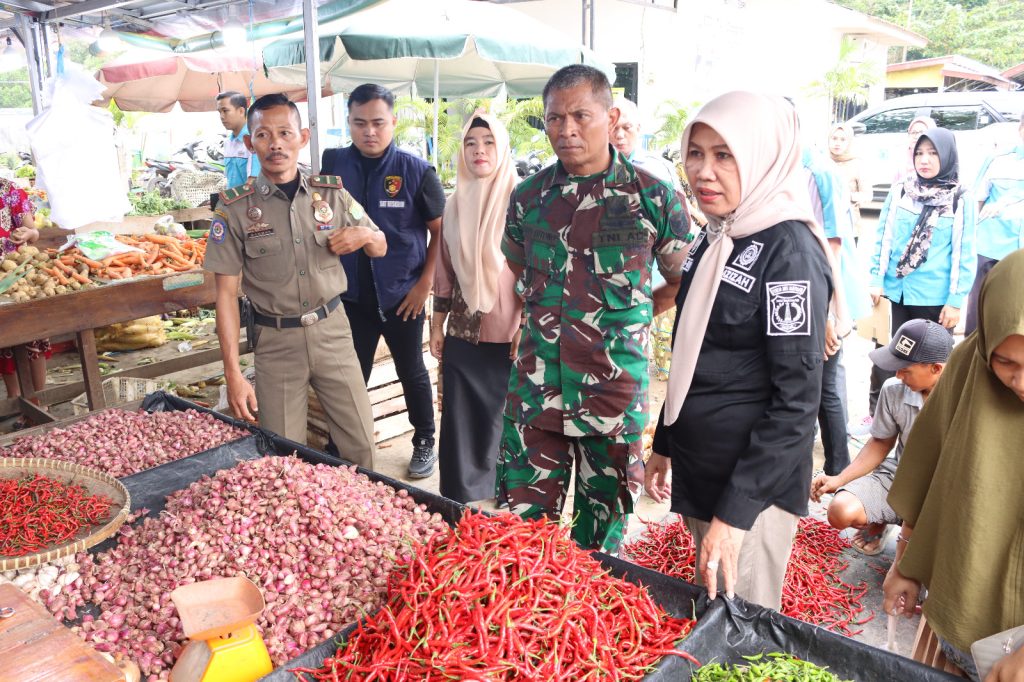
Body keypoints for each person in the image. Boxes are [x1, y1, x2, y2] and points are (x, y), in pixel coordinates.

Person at [646, 91, 836, 610]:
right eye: (695, 153)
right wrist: (665, 441)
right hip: (703, 469)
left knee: (742, 630)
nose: (703, 172)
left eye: (724, 155)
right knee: (714, 617)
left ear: (761, 155)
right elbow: (693, 351)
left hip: (748, 492)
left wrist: (734, 516)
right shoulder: (718, 235)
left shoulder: (788, 254)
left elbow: (796, 404)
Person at [500, 65, 690, 552]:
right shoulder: (527, 199)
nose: (566, 130)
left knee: (601, 544)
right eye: (554, 119)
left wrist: (632, 322)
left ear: (610, 116)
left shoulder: (654, 199)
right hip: (536, 394)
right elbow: (519, 273)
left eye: (580, 115)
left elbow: (680, 282)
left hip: (613, 398)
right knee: (522, 539)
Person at [205, 94, 384, 470]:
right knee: (283, 461)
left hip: (333, 332)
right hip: (276, 342)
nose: (276, 144)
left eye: (285, 132)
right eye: (264, 135)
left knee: (362, 447)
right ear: (251, 143)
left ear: (302, 137)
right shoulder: (235, 209)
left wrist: (364, 237)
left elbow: (381, 244)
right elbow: (224, 295)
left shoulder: (331, 195)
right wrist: (233, 373)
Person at [883, 248, 1024, 682]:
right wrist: (903, 563)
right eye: (1006, 363)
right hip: (962, 597)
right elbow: (928, 466)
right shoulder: (968, 364)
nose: (1021, 382)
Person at [321, 84, 444, 479]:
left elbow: (441, 234)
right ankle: (341, 442)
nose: (369, 131)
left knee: (412, 370)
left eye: (377, 122)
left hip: (401, 294)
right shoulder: (333, 162)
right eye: (359, 123)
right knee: (350, 373)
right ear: (349, 123)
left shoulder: (416, 171)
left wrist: (424, 285)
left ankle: (425, 439)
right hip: (351, 295)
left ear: (392, 122)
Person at [430, 112, 522, 504]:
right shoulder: (454, 205)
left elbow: (538, 269)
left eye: (488, 142)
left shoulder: (523, 201)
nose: (479, 150)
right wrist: (436, 324)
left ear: (501, 148)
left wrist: (528, 325)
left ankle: (508, 493)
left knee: (507, 416)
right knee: (460, 415)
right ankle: (461, 497)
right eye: (471, 143)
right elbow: (445, 269)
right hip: (464, 329)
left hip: (511, 329)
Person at [810, 319, 952, 555]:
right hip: (898, 477)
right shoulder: (893, 389)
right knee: (840, 511)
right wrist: (839, 479)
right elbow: (881, 442)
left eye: (906, 370)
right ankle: (880, 520)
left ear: (936, 369)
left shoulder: (966, 403)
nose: (898, 374)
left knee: (927, 560)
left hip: (944, 489)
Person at [870, 127, 976, 338]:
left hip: (933, 301)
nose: (924, 160)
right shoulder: (901, 190)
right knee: (887, 362)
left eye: (933, 153)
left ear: (946, 155)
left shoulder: (960, 198)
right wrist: (876, 279)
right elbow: (884, 239)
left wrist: (955, 302)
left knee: (928, 366)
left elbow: (963, 254)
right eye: (919, 153)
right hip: (894, 293)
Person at [966, 113, 1024, 335]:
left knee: (1014, 320)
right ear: (1021, 129)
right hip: (990, 249)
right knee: (979, 316)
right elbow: (976, 201)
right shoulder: (999, 160)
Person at [0, 179, 46, 402]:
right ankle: (14, 400)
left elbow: (34, 232)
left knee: (32, 337)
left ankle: (38, 401)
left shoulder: (10, 191)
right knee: (3, 342)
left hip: (19, 276)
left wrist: (27, 235)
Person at [611, 96, 683, 190]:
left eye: (627, 127)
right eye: (613, 128)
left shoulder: (658, 169)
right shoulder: (592, 170)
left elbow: (677, 202)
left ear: (638, 128)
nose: (620, 135)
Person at [827, 122, 872, 242]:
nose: (837, 143)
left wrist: (849, 196)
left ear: (849, 142)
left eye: (843, 139)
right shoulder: (823, 161)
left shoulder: (856, 164)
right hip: (825, 224)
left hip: (849, 225)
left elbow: (868, 195)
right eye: (834, 138)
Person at [217, 91, 260, 189]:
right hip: (233, 201)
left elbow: (252, 183)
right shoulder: (228, 143)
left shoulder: (253, 141)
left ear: (241, 111)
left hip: (249, 202)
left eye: (225, 111)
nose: (221, 116)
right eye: (219, 112)